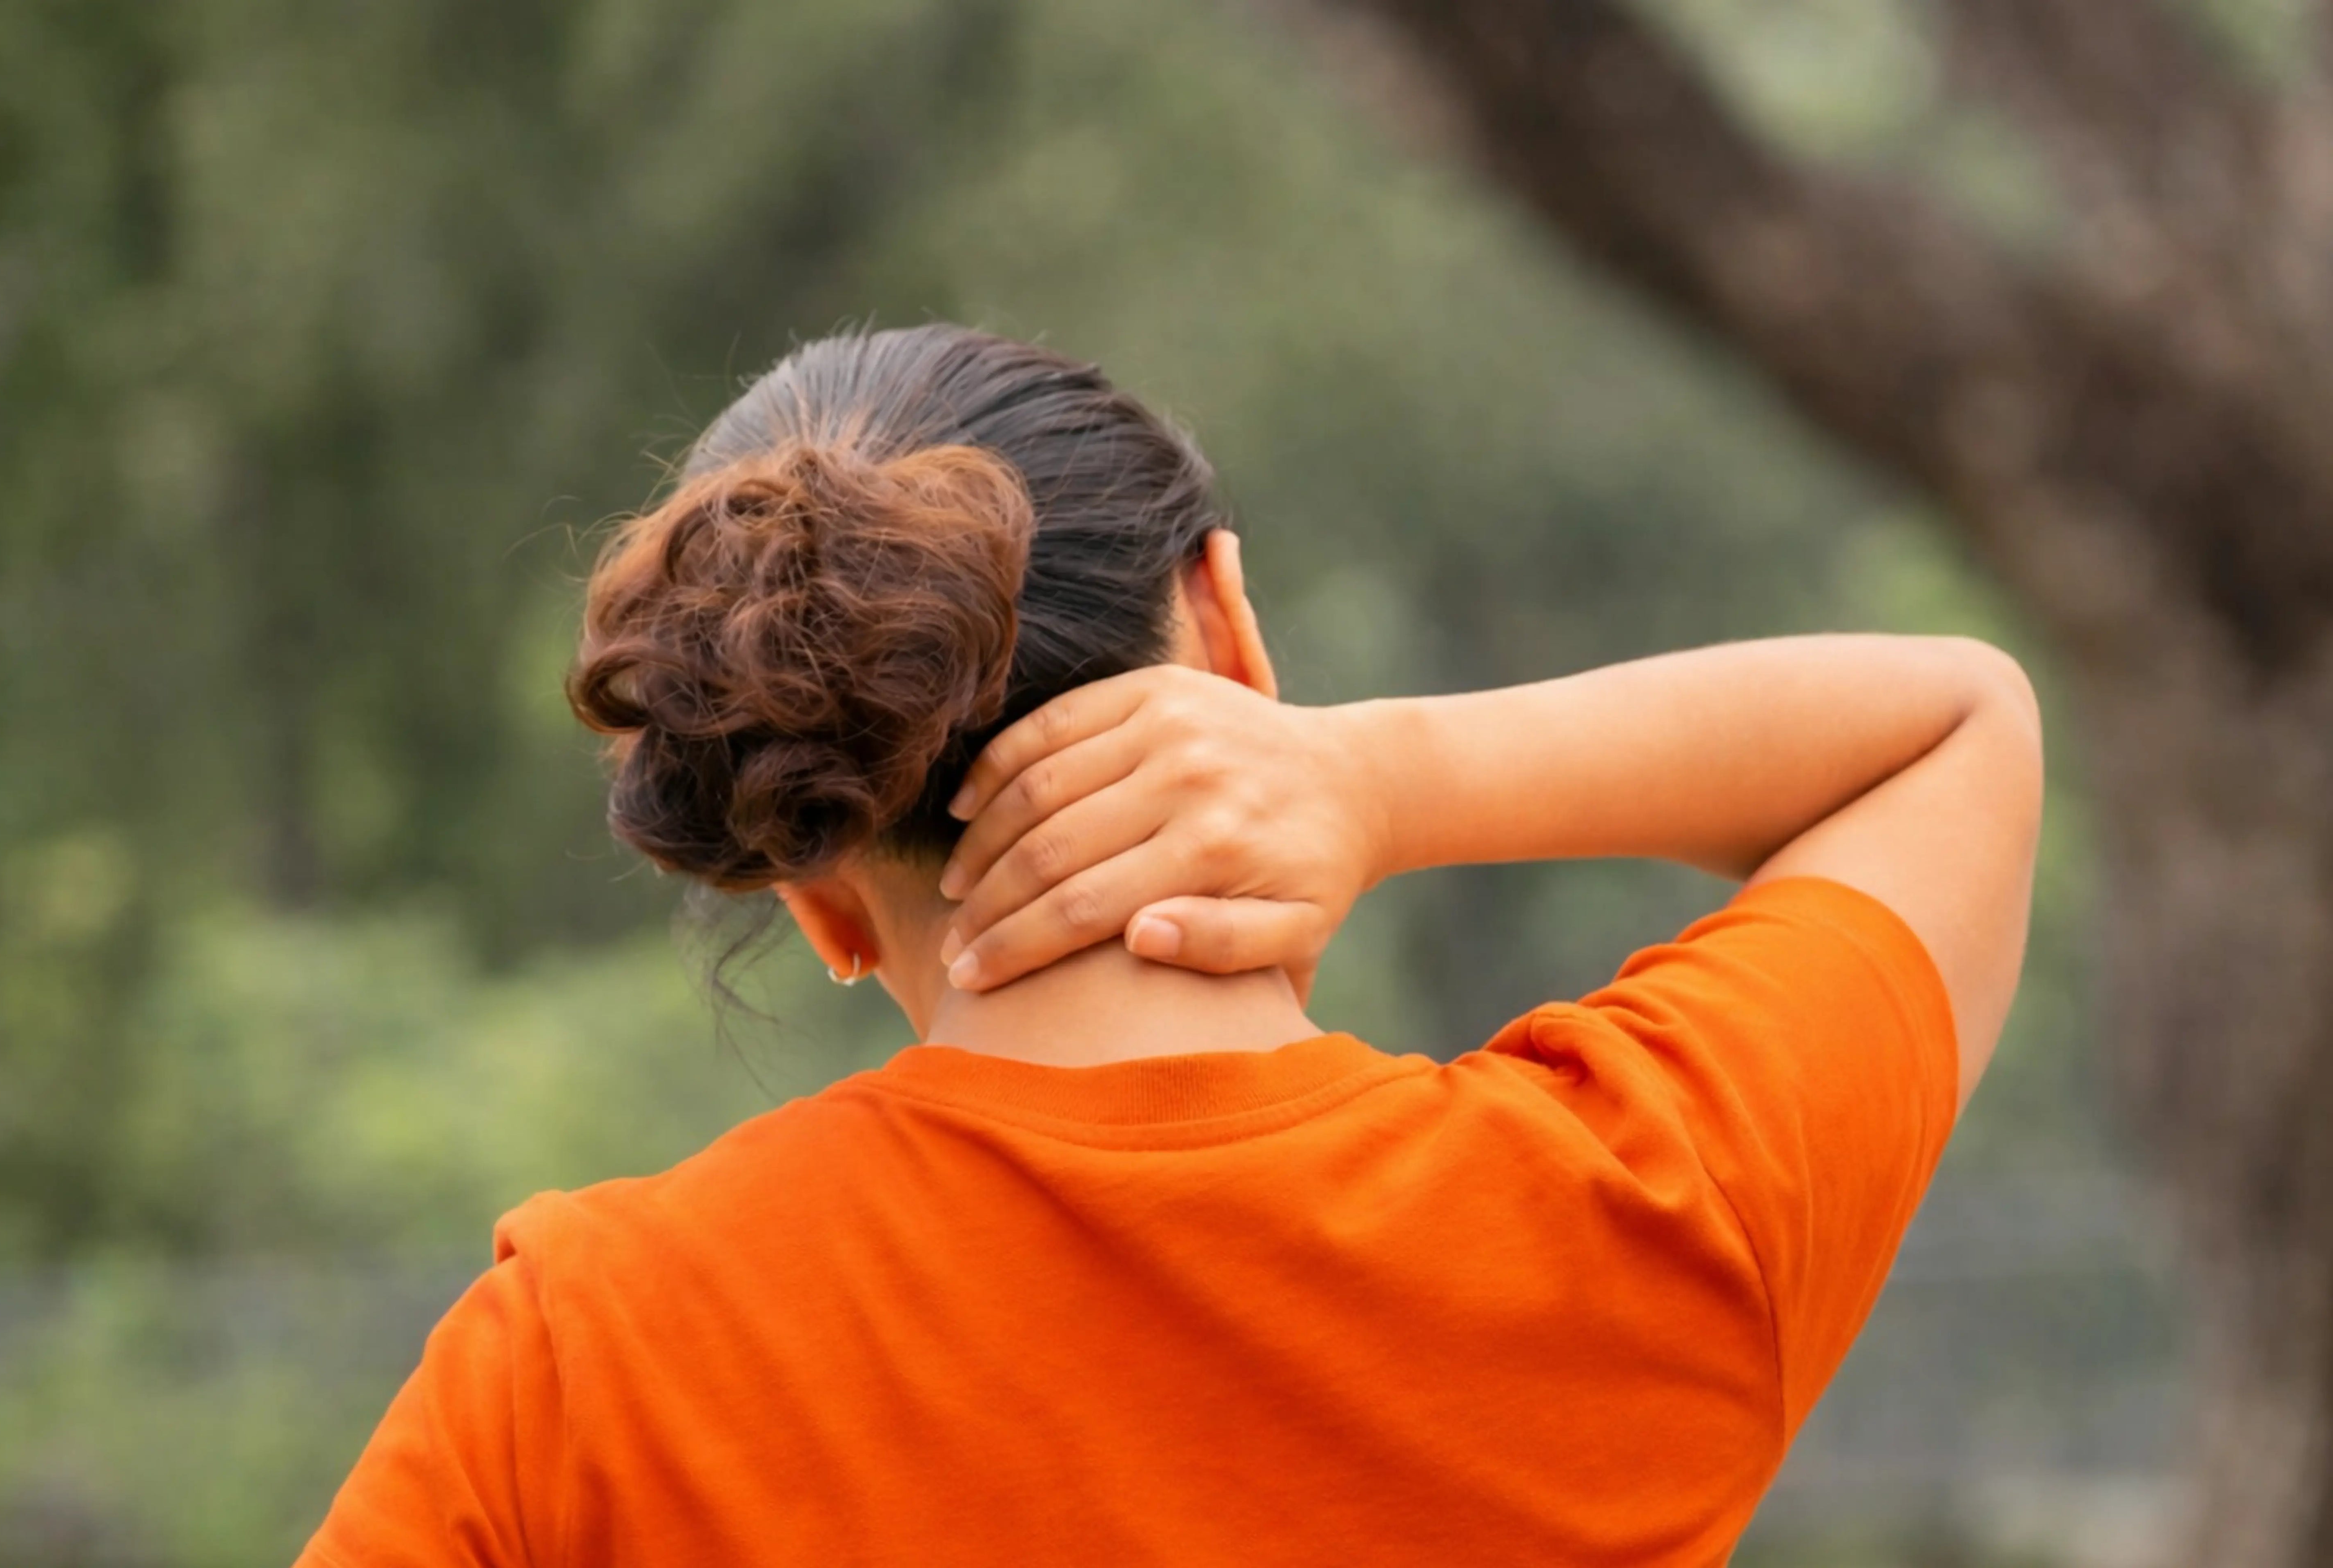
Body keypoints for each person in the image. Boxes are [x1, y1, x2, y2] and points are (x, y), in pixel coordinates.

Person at [297, 323, 2042, 1566]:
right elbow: (1957, 726)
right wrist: (1377, 776)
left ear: (812, 888)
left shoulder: (586, 1363)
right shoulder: (1642, 1210)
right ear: (1225, 620)